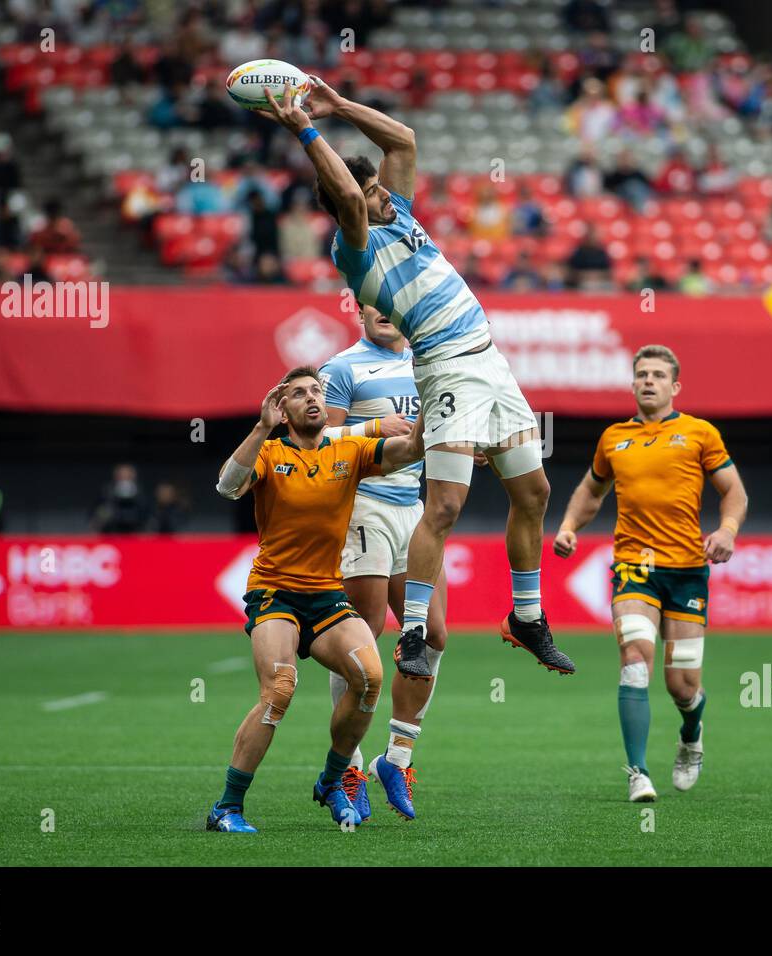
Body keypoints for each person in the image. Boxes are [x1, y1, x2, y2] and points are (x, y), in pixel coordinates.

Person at [252, 77, 575, 679]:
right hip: (447, 363)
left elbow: (403, 141)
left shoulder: (397, 213)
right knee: (446, 503)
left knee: (534, 493)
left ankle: (527, 617)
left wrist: (340, 105)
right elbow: (348, 200)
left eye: (377, 188)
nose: (380, 196)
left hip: (491, 361)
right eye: (371, 191)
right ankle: (417, 632)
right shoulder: (355, 251)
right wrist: (305, 132)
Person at [206, 366, 425, 833]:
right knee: (280, 690)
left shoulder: (349, 450)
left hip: (326, 594)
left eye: (316, 391)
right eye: (299, 393)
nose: (311, 398)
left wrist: (429, 410)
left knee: (369, 677)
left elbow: (412, 449)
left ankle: (331, 780)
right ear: (282, 409)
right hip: (275, 593)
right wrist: (261, 426)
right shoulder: (269, 451)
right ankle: (227, 806)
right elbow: (227, 486)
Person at [553, 345, 749, 802]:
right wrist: (567, 526)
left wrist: (728, 529)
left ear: (674, 386)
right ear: (632, 383)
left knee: (682, 686)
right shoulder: (612, 438)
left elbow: (733, 490)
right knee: (634, 662)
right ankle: (637, 772)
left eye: (658, 375)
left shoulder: (700, 433)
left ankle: (691, 735)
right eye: (641, 374)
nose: (648, 381)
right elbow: (590, 490)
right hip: (633, 568)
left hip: (686, 571)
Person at [319, 304, 446, 821]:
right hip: (363, 505)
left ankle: (396, 759)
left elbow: (434, 431)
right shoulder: (341, 368)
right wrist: (373, 427)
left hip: (413, 508)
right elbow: (316, 444)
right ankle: (348, 767)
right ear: (360, 308)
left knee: (433, 634)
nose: (384, 312)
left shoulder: (428, 365)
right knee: (364, 638)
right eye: (374, 304)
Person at [90, 464, 149, 533]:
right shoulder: (107, 492)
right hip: (111, 532)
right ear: (116, 476)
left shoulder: (140, 494)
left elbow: (145, 514)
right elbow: (96, 512)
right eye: (122, 475)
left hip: (135, 533)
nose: (124, 478)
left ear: (133, 476)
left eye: (128, 475)